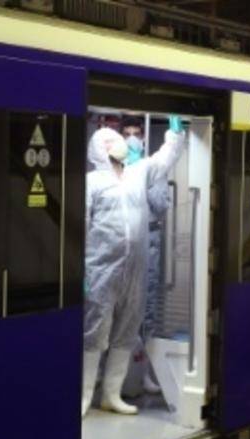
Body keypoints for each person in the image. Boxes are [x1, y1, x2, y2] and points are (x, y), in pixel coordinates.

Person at [83, 115, 186, 416]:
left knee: (127, 330)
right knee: (93, 332)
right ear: (98, 149)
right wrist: (81, 272)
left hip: (135, 269)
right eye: (110, 140)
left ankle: (111, 396)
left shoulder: (137, 172)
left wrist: (175, 135)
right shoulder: (91, 182)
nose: (120, 143)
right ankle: (84, 397)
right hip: (100, 269)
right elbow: (82, 227)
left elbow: (163, 159)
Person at [121, 116, 172, 396]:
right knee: (120, 308)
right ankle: (120, 375)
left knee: (147, 307)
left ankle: (148, 372)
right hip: (123, 242)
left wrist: (143, 177)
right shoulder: (113, 169)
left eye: (135, 133)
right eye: (125, 133)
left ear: (143, 138)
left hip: (149, 240)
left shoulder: (154, 168)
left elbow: (161, 204)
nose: (130, 139)